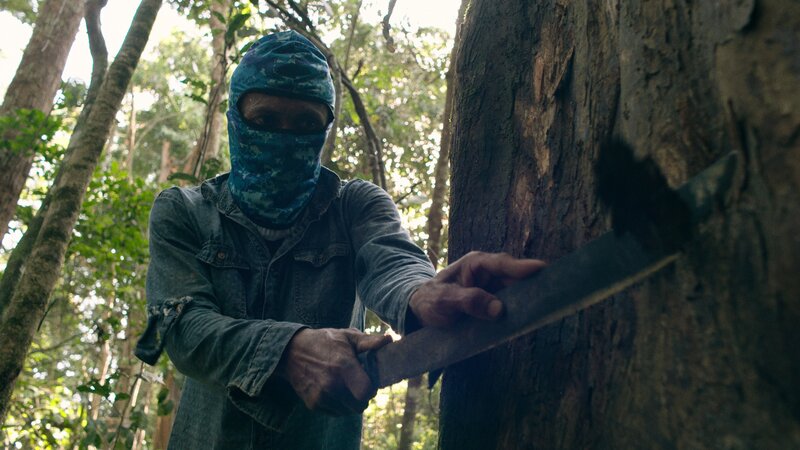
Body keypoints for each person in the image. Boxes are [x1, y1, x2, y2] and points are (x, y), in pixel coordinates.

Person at [135, 30, 544, 449]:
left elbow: (391, 262)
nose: (283, 137)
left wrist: (423, 294)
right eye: (265, 120)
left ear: (325, 128)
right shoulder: (184, 211)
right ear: (238, 119)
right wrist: (287, 350)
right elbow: (183, 327)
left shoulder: (355, 204)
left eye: (305, 123)